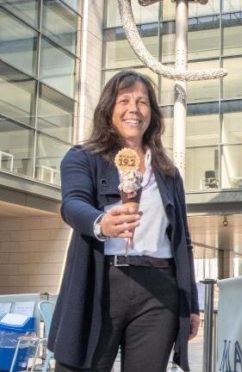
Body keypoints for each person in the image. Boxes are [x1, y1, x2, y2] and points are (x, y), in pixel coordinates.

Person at [48, 70, 200, 372]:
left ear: (152, 114)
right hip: (101, 283)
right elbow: (72, 204)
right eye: (125, 100)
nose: (134, 109)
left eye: (143, 102)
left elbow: (183, 241)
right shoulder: (82, 157)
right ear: (109, 109)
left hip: (159, 289)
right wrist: (100, 223)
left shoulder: (168, 172)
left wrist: (190, 303)